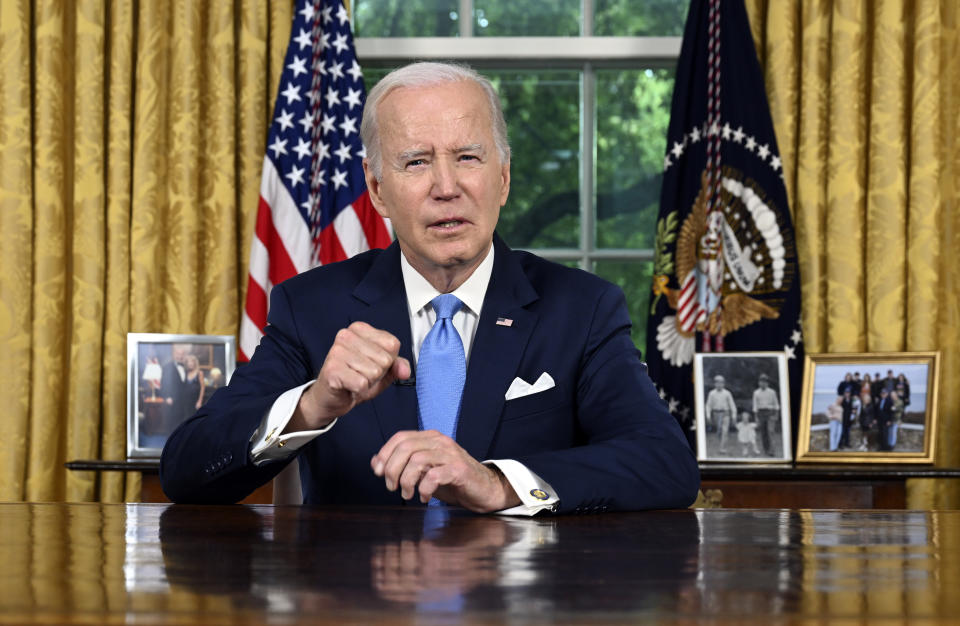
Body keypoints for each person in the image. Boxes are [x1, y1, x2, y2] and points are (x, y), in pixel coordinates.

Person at [159, 62, 699, 513]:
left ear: (503, 178)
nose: (447, 187)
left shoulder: (581, 309)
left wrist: (495, 483)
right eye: (416, 162)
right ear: (376, 188)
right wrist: (312, 405)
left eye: (468, 157)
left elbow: (664, 463)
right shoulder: (312, 307)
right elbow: (185, 471)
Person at [159, 344, 191, 434]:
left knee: (181, 423)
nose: (180, 356)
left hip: (183, 401)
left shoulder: (185, 367)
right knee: (172, 424)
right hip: (172, 400)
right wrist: (167, 397)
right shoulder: (167, 367)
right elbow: (163, 383)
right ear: (174, 354)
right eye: (178, 354)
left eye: (182, 354)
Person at [705, 375, 738, 453]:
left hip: (725, 413)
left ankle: (722, 448)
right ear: (715, 384)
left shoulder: (727, 393)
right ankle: (721, 444)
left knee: (725, 431)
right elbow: (708, 405)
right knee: (719, 431)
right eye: (717, 383)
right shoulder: (712, 393)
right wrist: (708, 416)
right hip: (716, 413)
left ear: (723, 384)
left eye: (721, 383)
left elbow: (732, 405)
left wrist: (734, 415)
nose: (719, 384)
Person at [751, 373, 779, 456]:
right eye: (761, 382)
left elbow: (776, 404)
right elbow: (755, 405)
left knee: (770, 431)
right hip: (761, 413)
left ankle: (772, 450)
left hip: (770, 412)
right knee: (763, 433)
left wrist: (776, 414)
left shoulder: (772, 392)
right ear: (759, 383)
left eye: (765, 382)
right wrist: (756, 417)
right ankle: (766, 450)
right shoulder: (756, 393)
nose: (763, 383)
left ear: (767, 383)